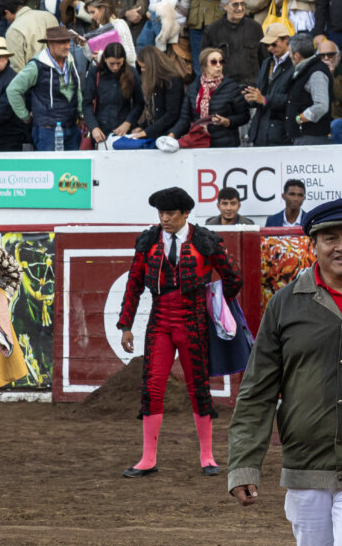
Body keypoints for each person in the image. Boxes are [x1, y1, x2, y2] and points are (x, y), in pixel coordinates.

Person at [228, 197, 342, 542]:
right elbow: (258, 390)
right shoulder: (285, 303)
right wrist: (244, 464)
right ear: (313, 245)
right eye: (331, 238)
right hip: (304, 461)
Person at [118, 186, 242, 478]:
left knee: (198, 386)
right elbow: (134, 283)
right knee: (152, 386)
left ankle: (208, 456)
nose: (164, 218)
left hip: (193, 320)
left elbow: (233, 277)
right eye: (161, 213)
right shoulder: (148, 241)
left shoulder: (205, 240)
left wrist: (216, 304)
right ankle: (148, 458)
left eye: (171, 213)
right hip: (159, 319)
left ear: (185, 214)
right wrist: (125, 326)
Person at [6, 26, 84, 151]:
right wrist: (25, 116)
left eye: (67, 41)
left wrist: (81, 114)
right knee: (51, 168)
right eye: (62, 42)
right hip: (47, 131)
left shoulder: (70, 60)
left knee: (70, 169)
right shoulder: (36, 65)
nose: (67, 46)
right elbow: (13, 90)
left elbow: (76, 89)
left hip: (71, 127)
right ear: (50, 43)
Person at [170, 46, 252, 148]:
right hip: (199, 143)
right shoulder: (193, 88)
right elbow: (184, 119)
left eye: (221, 62)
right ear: (204, 66)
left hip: (225, 145)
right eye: (214, 62)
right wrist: (172, 135)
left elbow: (244, 116)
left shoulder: (231, 87)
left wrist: (227, 121)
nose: (218, 66)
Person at [81, 42, 143, 146]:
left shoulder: (131, 73)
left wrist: (128, 123)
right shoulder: (94, 72)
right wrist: (94, 127)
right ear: (104, 59)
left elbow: (139, 103)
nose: (115, 67)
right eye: (111, 63)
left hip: (123, 128)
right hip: (100, 128)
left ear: (124, 60)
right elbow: (87, 103)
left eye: (118, 63)